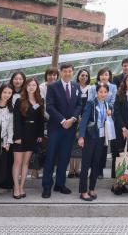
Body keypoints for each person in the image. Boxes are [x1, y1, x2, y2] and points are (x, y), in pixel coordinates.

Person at [42, 64, 82, 199]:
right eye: (65, 71)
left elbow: (79, 105)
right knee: (51, 157)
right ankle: (47, 186)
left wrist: (72, 119)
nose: (67, 73)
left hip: (70, 128)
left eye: (70, 71)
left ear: (73, 72)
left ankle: (60, 184)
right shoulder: (53, 87)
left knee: (64, 157)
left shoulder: (76, 86)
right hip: (55, 128)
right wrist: (62, 120)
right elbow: (50, 106)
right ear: (61, 72)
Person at [78, 83, 112, 201]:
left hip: (101, 138)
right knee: (86, 164)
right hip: (90, 137)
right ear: (96, 93)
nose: (103, 94)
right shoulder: (91, 103)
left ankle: (91, 189)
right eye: (100, 92)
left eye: (105, 92)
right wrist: (81, 136)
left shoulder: (107, 104)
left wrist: (109, 115)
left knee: (96, 165)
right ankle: (83, 191)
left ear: (107, 93)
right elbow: (84, 121)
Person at [12, 77, 44, 199]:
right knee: (17, 163)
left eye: (34, 85)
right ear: (26, 86)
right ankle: (15, 187)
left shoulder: (40, 101)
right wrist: (18, 136)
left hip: (33, 135)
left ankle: (21, 187)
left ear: (37, 87)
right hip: (21, 135)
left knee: (26, 163)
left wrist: (40, 134)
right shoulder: (20, 101)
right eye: (29, 85)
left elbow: (41, 120)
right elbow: (16, 120)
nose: (32, 87)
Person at [89, 68, 117, 179]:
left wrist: (109, 108)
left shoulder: (113, 87)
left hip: (107, 119)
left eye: (106, 74)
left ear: (109, 76)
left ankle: (100, 170)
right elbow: (91, 100)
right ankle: (93, 170)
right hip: (95, 120)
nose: (104, 77)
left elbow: (113, 101)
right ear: (99, 76)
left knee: (104, 147)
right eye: (102, 75)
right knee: (93, 147)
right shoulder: (92, 87)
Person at [69, 68, 91, 178]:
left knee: (81, 144)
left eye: (86, 75)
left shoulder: (90, 89)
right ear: (78, 76)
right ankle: (70, 169)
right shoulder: (73, 86)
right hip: (73, 118)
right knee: (72, 144)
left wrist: (84, 118)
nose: (84, 77)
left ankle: (77, 169)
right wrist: (75, 116)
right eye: (82, 75)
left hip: (85, 120)